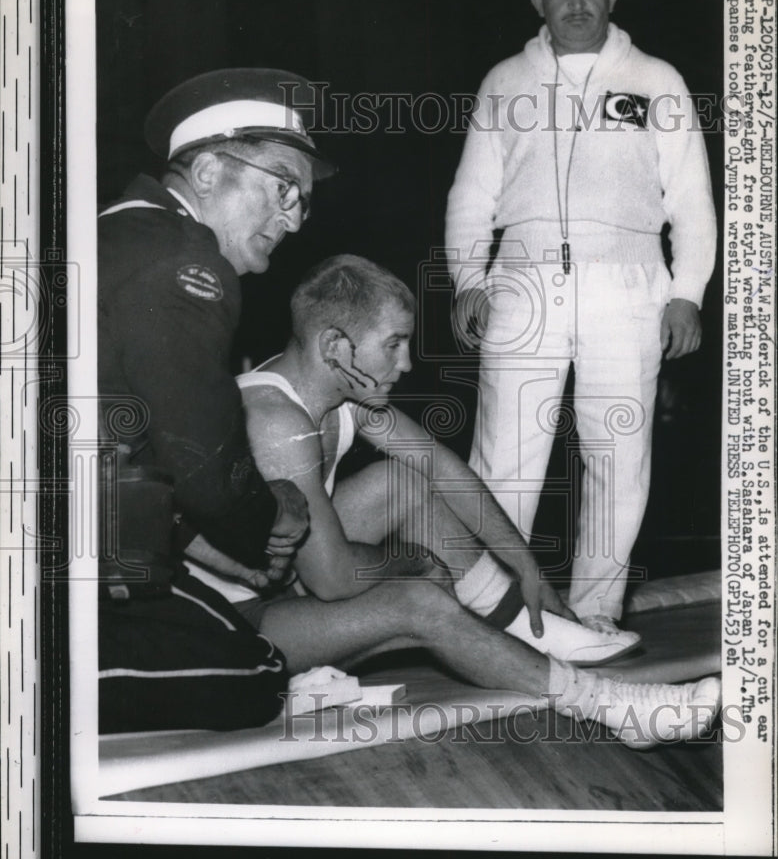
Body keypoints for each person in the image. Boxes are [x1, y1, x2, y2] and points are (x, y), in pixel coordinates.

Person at [188, 254, 721, 750]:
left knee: (406, 481)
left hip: (279, 581)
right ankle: (612, 708)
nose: (408, 363)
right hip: (229, 626)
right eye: (393, 344)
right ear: (335, 346)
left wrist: (526, 568)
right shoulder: (276, 419)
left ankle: (523, 620)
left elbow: (443, 470)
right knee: (418, 599)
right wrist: (414, 562)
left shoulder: (341, 394)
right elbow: (332, 580)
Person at [444, 0, 717, 644]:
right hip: (523, 284)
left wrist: (686, 292)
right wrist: (470, 277)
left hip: (626, 288)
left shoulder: (655, 80)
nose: (575, 1)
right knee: (503, 456)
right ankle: (492, 615)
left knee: (619, 455)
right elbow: (472, 194)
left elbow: (691, 198)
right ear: (537, 1)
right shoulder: (505, 81)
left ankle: (595, 614)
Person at [97, 68, 335, 732]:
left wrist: (218, 547)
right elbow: (204, 464)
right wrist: (271, 518)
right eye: (283, 186)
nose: (291, 218)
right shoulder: (184, 263)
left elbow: (127, 461)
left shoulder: (119, 233)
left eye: (302, 202)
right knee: (256, 676)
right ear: (207, 173)